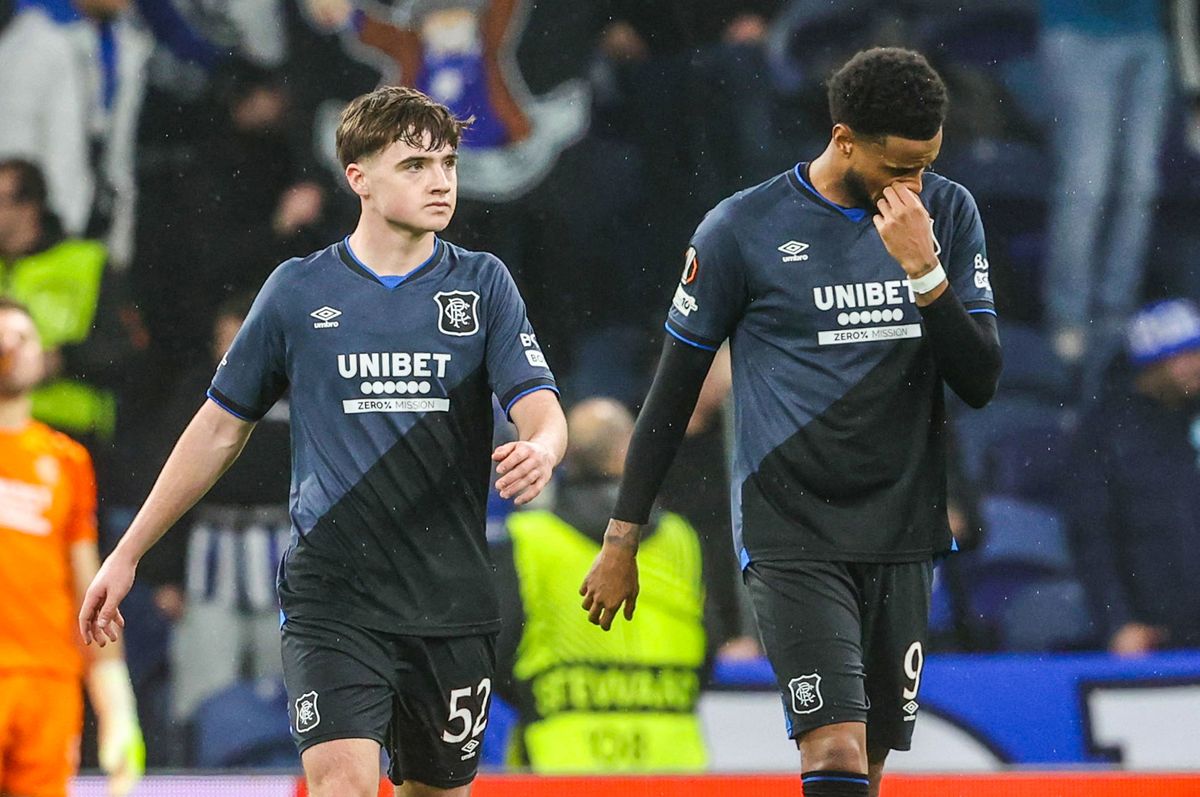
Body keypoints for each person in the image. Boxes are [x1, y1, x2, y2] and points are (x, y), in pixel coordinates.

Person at [79, 86, 567, 797]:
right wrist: (128, 552)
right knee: (342, 784)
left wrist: (544, 447)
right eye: (415, 165)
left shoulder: (482, 284)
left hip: (450, 601)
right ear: (358, 177)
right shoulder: (298, 291)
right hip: (333, 597)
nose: (440, 181)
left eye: (448, 164)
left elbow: (540, 404)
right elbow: (217, 428)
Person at [580, 47, 1001, 797]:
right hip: (792, 527)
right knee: (833, 749)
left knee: (867, 762)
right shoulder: (743, 228)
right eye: (899, 167)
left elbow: (980, 379)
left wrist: (925, 271)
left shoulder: (950, 213)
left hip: (902, 526)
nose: (915, 185)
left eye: (927, 165)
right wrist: (622, 536)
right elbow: (673, 393)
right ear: (844, 139)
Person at [494, 398, 707, 773]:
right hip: (671, 761)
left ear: (566, 454)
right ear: (630, 448)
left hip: (559, 756)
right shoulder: (680, 537)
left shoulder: (527, 537)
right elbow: (708, 643)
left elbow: (496, 650)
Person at [0, 298, 143, 797]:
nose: (9, 347)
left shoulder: (67, 461)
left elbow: (90, 583)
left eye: (23, 337)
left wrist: (115, 704)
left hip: (49, 681)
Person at [137, 294, 291, 726]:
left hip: (282, 555)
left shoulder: (299, 386)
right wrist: (166, 573)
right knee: (201, 692)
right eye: (231, 333)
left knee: (290, 692)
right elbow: (172, 482)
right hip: (210, 558)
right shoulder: (198, 393)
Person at [1068, 298, 1200, 655]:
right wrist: (1118, 622)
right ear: (1150, 366)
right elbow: (1091, 535)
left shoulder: (1191, 418)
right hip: (1152, 631)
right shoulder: (1107, 431)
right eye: (1182, 355)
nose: (1195, 365)